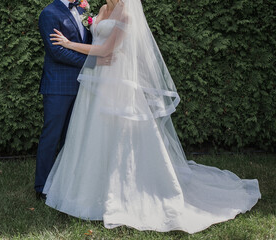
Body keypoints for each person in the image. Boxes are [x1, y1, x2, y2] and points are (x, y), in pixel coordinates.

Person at [43, 0, 261, 233]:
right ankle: (86, 190)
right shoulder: (102, 10)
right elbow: (95, 38)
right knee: (90, 134)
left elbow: (107, 50)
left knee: (116, 135)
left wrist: (69, 44)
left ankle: (122, 191)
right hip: (94, 83)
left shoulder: (126, 14)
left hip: (115, 81)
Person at [35, 0, 111, 199]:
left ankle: (66, 183)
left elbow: (87, 43)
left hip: (83, 85)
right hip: (58, 86)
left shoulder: (82, 9)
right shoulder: (49, 13)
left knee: (73, 137)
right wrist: (93, 62)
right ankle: (42, 186)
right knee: (52, 137)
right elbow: (57, 51)